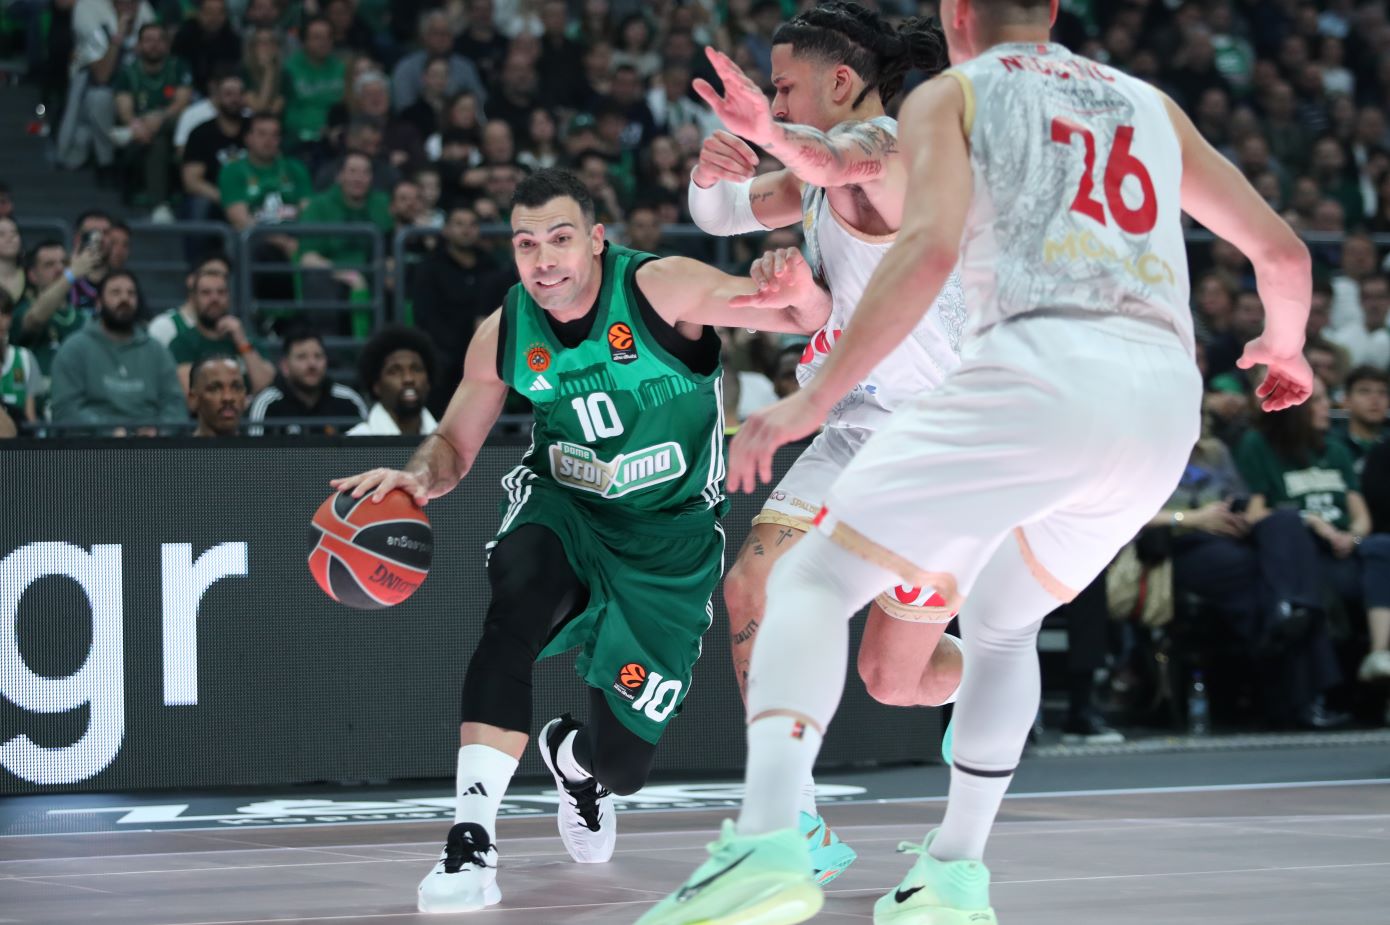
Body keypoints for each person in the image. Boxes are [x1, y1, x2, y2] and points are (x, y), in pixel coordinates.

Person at [641, 0, 1315, 922]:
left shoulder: (950, 98)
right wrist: (1285, 349)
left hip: (1019, 390)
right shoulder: (1147, 103)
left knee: (808, 585)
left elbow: (917, 247)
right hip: (1160, 408)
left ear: (955, 14)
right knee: (1000, 628)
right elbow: (1282, 252)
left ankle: (769, 841)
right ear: (1052, 10)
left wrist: (813, 393)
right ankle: (953, 873)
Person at [329, 167, 829, 915]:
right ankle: (470, 840)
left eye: (560, 239)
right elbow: (454, 445)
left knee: (624, 766)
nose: (543, 260)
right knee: (515, 606)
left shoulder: (659, 289)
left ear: (596, 240)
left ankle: (573, 758)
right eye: (526, 244)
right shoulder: (506, 331)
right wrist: (416, 477)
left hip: (669, 543)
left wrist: (791, 283)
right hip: (567, 508)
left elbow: (801, 316)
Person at [685, 2, 964, 879]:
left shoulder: (891, 147)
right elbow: (722, 215)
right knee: (752, 584)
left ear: (841, 82)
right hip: (855, 427)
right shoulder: (814, 171)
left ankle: (994, 661)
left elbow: (833, 158)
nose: (773, 100)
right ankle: (794, 821)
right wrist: (712, 169)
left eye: (783, 87)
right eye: (770, 91)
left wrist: (765, 131)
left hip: (939, 442)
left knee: (894, 678)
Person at [49, 271, 186, 433]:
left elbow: (175, 406)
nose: (124, 299)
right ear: (99, 303)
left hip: (151, 444)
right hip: (91, 444)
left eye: (131, 293)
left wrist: (158, 431)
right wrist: (109, 432)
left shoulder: (157, 351)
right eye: (115, 292)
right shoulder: (74, 349)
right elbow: (66, 409)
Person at [167, 268, 275, 393]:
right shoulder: (182, 343)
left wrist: (242, 342)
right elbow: (192, 394)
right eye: (206, 293)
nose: (214, 298)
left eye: (221, 292)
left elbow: (266, 388)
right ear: (193, 299)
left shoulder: (248, 342)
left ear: (229, 297)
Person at [247, 327, 368, 435]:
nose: (312, 364)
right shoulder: (267, 403)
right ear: (285, 366)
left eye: (318, 356)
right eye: (302, 357)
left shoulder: (349, 400)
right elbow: (253, 452)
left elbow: (368, 448)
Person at [346, 325, 439, 436]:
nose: (408, 379)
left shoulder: (450, 441)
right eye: (395, 371)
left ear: (428, 382)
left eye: (416, 369)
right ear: (376, 386)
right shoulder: (356, 439)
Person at [1331, 365, 1389, 473]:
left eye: (1382, 392)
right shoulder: (1331, 445)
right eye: (1364, 391)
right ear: (1346, 400)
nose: (1375, 399)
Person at [0, 291, 39, 429]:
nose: (0, 320)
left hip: (19, 437)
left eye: (4, 313)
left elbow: (30, 417)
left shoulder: (24, 358)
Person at [188, 355, 248, 437]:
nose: (228, 398)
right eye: (214, 389)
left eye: (236, 387)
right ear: (193, 398)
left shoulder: (261, 445)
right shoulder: (176, 446)